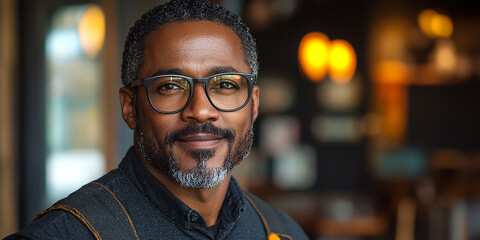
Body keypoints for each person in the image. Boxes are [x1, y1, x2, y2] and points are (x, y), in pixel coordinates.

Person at [5, 0, 308, 239]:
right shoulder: (66, 234)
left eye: (225, 84)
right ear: (130, 108)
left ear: (253, 105)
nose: (201, 110)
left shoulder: (282, 232)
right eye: (171, 86)